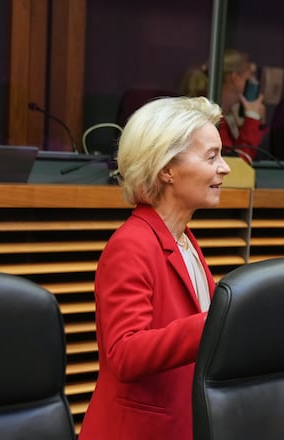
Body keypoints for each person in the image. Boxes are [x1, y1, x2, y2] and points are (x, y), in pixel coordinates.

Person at [78, 96, 231, 440]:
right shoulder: (131, 244)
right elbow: (125, 354)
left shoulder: (185, 240)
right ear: (166, 169)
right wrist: (218, 323)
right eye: (212, 156)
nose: (225, 167)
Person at [180, 49, 266, 162]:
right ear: (235, 78)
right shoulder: (208, 115)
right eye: (248, 77)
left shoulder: (224, 113)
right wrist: (252, 118)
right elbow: (234, 164)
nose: (252, 82)